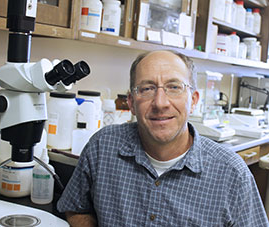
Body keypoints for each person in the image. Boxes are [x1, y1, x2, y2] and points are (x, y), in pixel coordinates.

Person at [57, 50, 269, 226]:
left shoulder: (231, 174)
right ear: (131, 102)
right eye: (147, 88)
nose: (160, 103)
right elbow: (75, 208)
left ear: (193, 100)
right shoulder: (102, 148)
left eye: (174, 87)